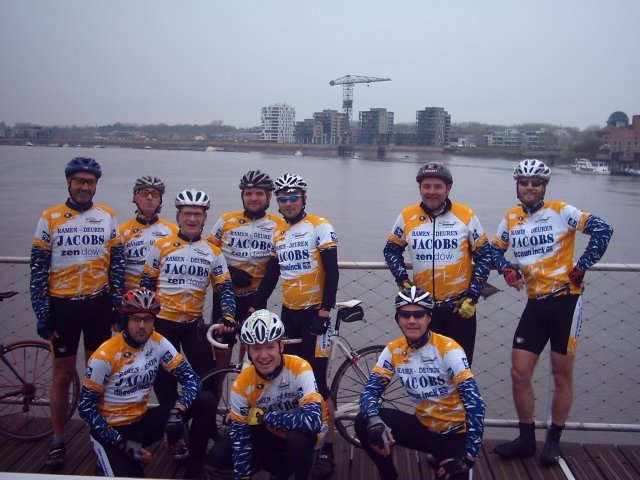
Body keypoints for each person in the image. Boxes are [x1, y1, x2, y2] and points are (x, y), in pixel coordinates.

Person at [491, 159, 613, 466]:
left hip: (565, 301)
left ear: (544, 187)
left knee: (561, 376)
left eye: (536, 183)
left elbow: (602, 230)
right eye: (524, 182)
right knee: (519, 373)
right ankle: (525, 439)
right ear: (517, 186)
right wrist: (505, 267)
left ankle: (554, 441)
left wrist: (583, 265)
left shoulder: (561, 210)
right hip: (535, 302)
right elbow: (493, 249)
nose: (529, 187)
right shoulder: (511, 217)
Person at [30, 157, 125, 471]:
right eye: (79, 181)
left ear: (96, 184)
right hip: (63, 306)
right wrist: (43, 313)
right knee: (61, 376)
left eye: (90, 182)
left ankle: (98, 434)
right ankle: (58, 439)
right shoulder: (51, 217)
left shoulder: (107, 216)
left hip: (97, 305)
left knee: (98, 376)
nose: (85, 187)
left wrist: (117, 306)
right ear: (69, 182)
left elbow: (117, 264)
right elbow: (37, 268)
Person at [250, 172, 338, 476]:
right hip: (290, 313)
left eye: (293, 198)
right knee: (290, 377)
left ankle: (327, 448)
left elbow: (333, 271)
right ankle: (299, 437)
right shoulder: (279, 234)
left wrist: (324, 313)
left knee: (319, 382)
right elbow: (272, 274)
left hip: (316, 313)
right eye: (283, 199)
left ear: (304, 199)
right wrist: (255, 304)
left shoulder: (319, 225)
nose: (287, 203)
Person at [78, 288, 215, 479]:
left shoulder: (157, 342)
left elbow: (191, 378)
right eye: (136, 319)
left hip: (141, 421)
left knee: (205, 399)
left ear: (154, 321)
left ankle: (195, 469)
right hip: (111, 432)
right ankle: (106, 463)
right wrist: (122, 444)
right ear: (126, 320)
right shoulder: (105, 355)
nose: (142, 325)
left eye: (148, 319)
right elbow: (85, 408)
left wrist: (177, 413)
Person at [354, 286, 485, 480]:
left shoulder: (449, 349)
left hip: (453, 435)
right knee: (363, 422)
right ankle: (388, 475)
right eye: (405, 315)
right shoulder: (394, 350)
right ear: (398, 319)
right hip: (423, 427)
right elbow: (369, 392)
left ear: (429, 318)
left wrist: (468, 459)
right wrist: (374, 420)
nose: (412, 320)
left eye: (419, 314)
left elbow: (476, 405)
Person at [384, 162, 491, 365]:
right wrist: (402, 279)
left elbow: (484, 255)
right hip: (423, 310)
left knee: (460, 371)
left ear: (448, 188)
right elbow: (391, 249)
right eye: (426, 186)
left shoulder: (465, 214)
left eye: (437, 187)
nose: (431, 192)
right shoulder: (408, 216)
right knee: (425, 370)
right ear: (420, 188)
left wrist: (473, 296)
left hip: (458, 309)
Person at [141, 189, 236, 406]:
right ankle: (171, 433)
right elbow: (146, 287)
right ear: (179, 216)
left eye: (198, 214)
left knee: (208, 380)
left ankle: (201, 428)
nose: (192, 219)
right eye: (187, 214)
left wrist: (229, 316)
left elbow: (225, 289)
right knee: (165, 383)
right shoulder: (160, 246)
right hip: (163, 324)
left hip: (193, 325)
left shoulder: (213, 251)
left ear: (204, 218)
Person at [208, 309, 327, 480]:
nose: (264, 356)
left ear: (281, 346)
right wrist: (243, 476)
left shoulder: (300, 367)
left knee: (298, 440)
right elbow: (240, 438)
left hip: (304, 434)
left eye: (270, 347)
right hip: (271, 432)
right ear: (248, 350)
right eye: (256, 349)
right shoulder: (241, 384)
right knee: (219, 454)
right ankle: (280, 468)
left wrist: (266, 417)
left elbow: (313, 422)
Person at [206, 170, 285, 367]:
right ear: (242, 196)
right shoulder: (226, 220)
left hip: (255, 298)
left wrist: (257, 304)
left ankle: (246, 393)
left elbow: (276, 268)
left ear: (268, 196)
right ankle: (218, 396)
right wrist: (231, 272)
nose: (253, 198)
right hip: (224, 298)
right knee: (220, 357)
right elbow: (207, 252)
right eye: (248, 193)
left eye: (259, 193)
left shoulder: (278, 225)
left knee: (254, 358)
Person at [119, 176, 178, 291]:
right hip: (130, 297)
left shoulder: (173, 231)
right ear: (135, 197)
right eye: (144, 193)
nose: (149, 197)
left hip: (162, 296)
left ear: (160, 200)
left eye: (155, 194)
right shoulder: (122, 231)